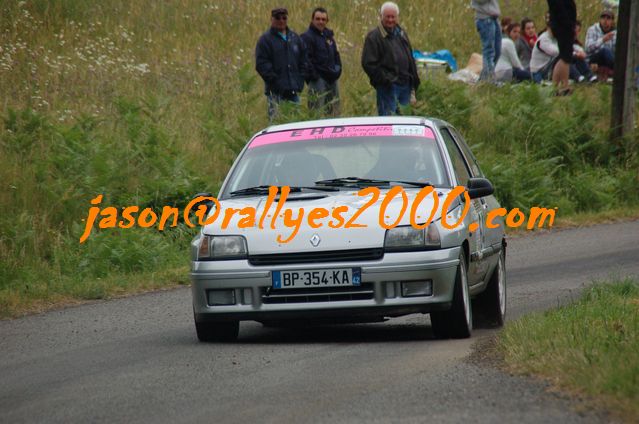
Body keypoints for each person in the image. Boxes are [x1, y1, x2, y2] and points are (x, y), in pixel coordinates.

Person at [361, 2, 420, 116]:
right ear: (381, 17)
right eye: (387, 16)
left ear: (397, 17)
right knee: (388, 122)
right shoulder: (374, 37)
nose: (390, 20)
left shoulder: (401, 33)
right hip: (388, 88)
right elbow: (368, 63)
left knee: (405, 123)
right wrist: (385, 80)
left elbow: (410, 57)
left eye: (393, 17)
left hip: (405, 85)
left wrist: (413, 79)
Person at [255, 7, 309, 121]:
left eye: (284, 18)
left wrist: (300, 80)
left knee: (296, 124)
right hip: (275, 93)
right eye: (277, 18)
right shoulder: (265, 40)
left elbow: (304, 60)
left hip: (294, 91)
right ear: (271, 19)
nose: (281, 21)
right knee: (276, 125)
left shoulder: (295, 38)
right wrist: (276, 82)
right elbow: (261, 64)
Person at [301, 7, 342, 116]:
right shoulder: (306, 37)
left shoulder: (329, 36)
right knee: (316, 113)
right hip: (317, 80)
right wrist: (314, 76)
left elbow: (336, 55)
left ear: (327, 21)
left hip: (332, 79)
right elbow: (305, 59)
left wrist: (337, 70)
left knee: (334, 112)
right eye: (318, 19)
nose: (320, 22)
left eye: (323, 19)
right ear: (312, 20)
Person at [547, 0, 577, 94]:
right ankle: (564, 86)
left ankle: (555, 86)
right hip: (563, 26)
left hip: (563, 25)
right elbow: (559, 9)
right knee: (565, 57)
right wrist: (569, 24)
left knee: (564, 56)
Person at [471, 0, 502, 82]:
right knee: (489, 51)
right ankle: (489, 80)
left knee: (497, 50)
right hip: (484, 19)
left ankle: (484, 77)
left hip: (494, 18)